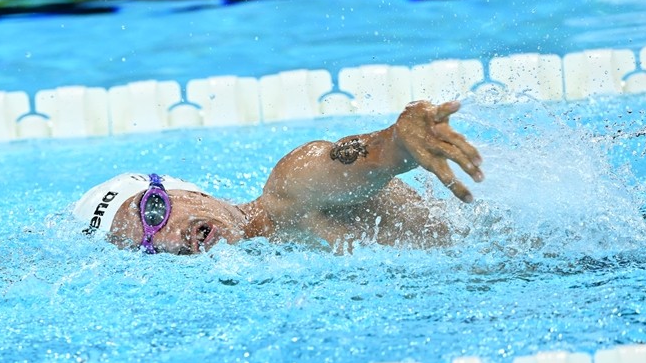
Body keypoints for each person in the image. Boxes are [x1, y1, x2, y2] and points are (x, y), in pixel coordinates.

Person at [74, 100, 484, 254]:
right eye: (147, 248)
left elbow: (361, 160)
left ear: (189, 191)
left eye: (154, 210)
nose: (167, 238)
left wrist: (401, 140)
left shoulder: (291, 189)